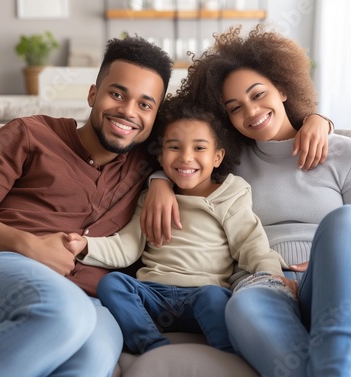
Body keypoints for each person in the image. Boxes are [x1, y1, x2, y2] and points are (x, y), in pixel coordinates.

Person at [142, 24, 351, 376]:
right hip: (263, 282)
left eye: (258, 94)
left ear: (283, 88)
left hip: (328, 281)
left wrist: (318, 118)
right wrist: (159, 179)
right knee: (241, 304)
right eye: (235, 107)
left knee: (347, 220)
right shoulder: (229, 165)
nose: (252, 112)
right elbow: (181, 146)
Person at [0, 35, 172, 377]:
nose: (128, 111)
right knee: (68, 312)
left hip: (87, 300)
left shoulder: (146, 167)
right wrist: (27, 245)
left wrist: (160, 178)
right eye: (117, 94)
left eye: (145, 105)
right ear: (93, 94)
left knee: (97, 350)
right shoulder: (32, 134)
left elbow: (202, 138)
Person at [65, 96, 291, 355]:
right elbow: (127, 247)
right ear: (160, 157)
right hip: (152, 294)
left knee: (216, 299)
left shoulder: (230, 193)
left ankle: (226, 354)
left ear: (217, 157)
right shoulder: (149, 198)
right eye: (174, 147)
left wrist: (274, 276)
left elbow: (251, 244)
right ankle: (151, 345)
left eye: (199, 148)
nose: (186, 158)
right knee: (113, 284)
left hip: (203, 293)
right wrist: (85, 245)